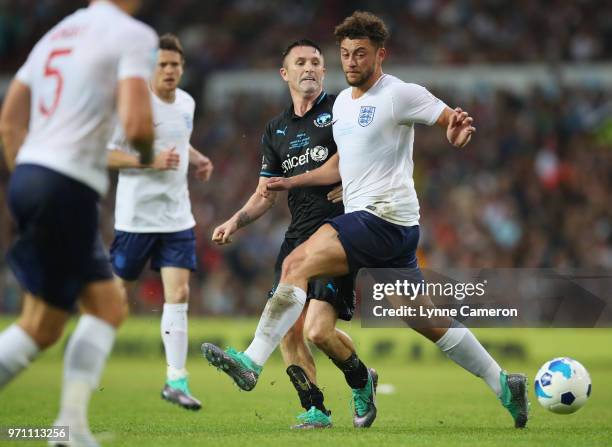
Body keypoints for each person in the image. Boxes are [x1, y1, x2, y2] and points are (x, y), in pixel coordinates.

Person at [204, 10, 529, 429]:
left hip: (383, 218)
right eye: (345, 53)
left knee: (294, 264)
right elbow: (340, 164)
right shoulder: (341, 103)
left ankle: (250, 360)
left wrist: (455, 129)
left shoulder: (399, 94)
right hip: (383, 229)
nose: (352, 61)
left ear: (380, 55)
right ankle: (504, 383)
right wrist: (292, 181)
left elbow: (448, 119)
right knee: (418, 319)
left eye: (361, 53)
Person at [0, 0, 157, 445]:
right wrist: (145, 156)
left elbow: (9, 121)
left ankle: (70, 427)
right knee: (40, 326)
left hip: (30, 175)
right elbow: (137, 122)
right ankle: (69, 430)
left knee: (102, 308)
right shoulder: (132, 35)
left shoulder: (56, 34)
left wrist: (31, 176)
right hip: (65, 185)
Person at [206, 39, 376, 429]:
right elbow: (266, 192)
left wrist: (351, 183)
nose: (310, 67)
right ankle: (315, 407)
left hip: (339, 233)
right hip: (297, 236)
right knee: (287, 328)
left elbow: (366, 157)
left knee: (318, 331)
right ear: (285, 73)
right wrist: (235, 221)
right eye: (301, 62)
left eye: (316, 61)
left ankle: (361, 379)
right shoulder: (276, 129)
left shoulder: (342, 109)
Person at [107, 33, 213, 411]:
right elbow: (109, 155)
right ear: (152, 69)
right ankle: (86, 360)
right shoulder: (135, 105)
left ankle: (176, 379)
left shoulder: (186, 102)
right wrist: (148, 160)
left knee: (179, 294)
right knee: (114, 302)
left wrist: (196, 158)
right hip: (136, 219)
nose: (169, 71)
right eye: (162, 65)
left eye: (174, 65)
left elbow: (179, 138)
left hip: (176, 217)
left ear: (182, 68)